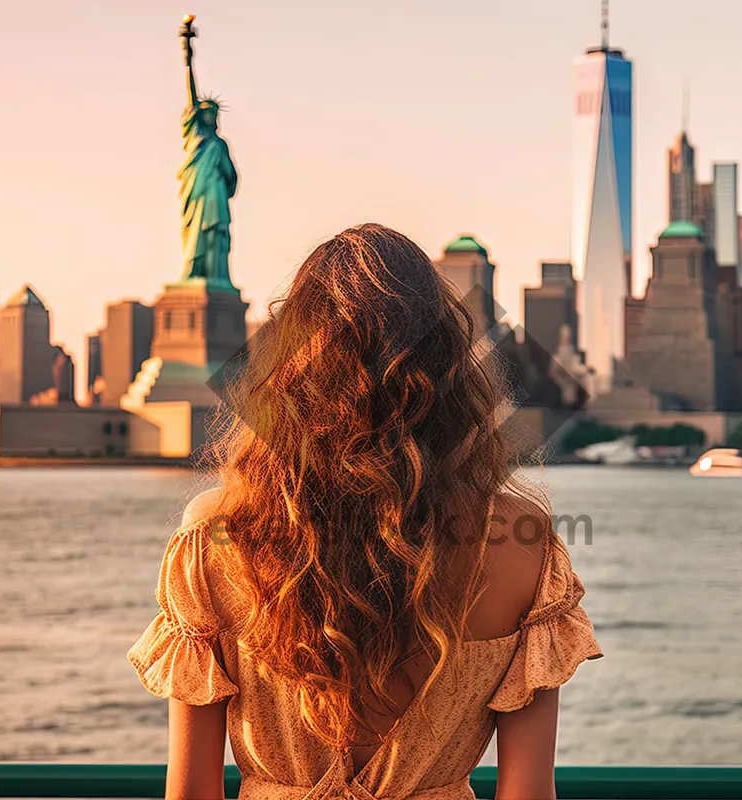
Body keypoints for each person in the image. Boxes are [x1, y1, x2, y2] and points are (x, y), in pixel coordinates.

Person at [128, 224, 601, 800]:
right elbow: (528, 793)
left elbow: (192, 793)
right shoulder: (524, 544)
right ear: (448, 369)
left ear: (291, 369)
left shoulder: (214, 535)